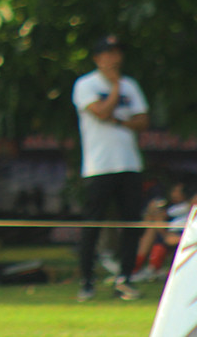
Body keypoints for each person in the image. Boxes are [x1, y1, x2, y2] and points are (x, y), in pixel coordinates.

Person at [73, 34, 149, 301]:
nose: (114, 58)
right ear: (98, 58)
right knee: (92, 225)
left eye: (117, 53)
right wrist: (115, 89)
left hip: (129, 163)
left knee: (130, 223)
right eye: (108, 53)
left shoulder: (132, 85)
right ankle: (86, 281)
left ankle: (125, 279)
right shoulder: (86, 84)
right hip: (99, 166)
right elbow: (101, 112)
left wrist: (120, 121)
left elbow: (142, 120)